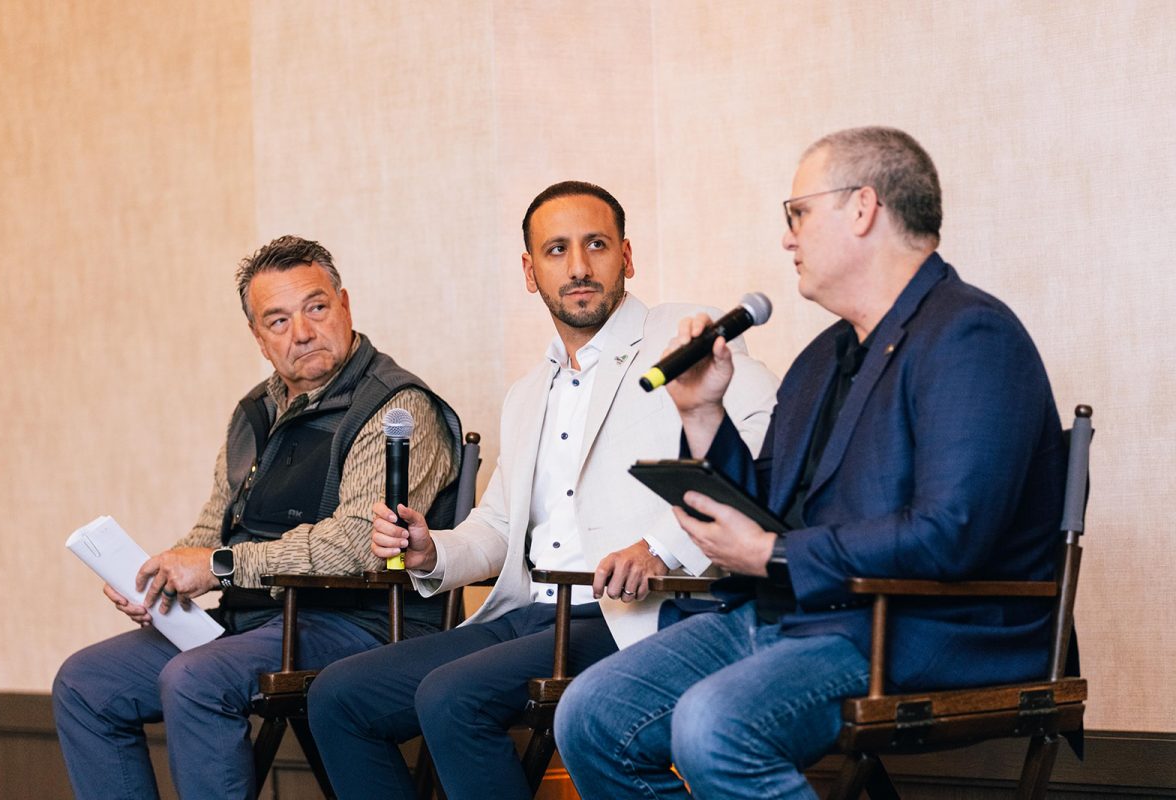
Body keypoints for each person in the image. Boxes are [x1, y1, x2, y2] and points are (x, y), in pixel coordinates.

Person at [555, 127, 1068, 799]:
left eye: (798, 214)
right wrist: (701, 413)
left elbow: (952, 533)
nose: (786, 238)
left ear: (863, 208)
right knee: (592, 714)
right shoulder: (823, 357)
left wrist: (773, 554)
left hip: (924, 628)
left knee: (715, 725)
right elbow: (769, 507)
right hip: (803, 613)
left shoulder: (972, 335)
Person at [306, 181, 779, 799]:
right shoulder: (528, 393)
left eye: (596, 245)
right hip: (529, 612)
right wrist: (432, 550)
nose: (578, 267)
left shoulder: (681, 336)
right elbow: (500, 526)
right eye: (557, 250)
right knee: (337, 696)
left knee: (451, 697)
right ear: (530, 272)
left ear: (627, 257)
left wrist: (661, 546)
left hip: (627, 614)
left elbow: (764, 449)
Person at [52, 235, 462, 800]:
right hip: (256, 621)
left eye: (316, 307)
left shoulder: (396, 407)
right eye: (278, 320)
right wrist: (157, 576)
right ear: (258, 337)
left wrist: (218, 566)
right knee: (85, 683)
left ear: (345, 305)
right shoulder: (255, 411)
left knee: (195, 679)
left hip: (361, 625)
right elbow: (213, 528)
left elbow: (355, 546)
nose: (302, 332)